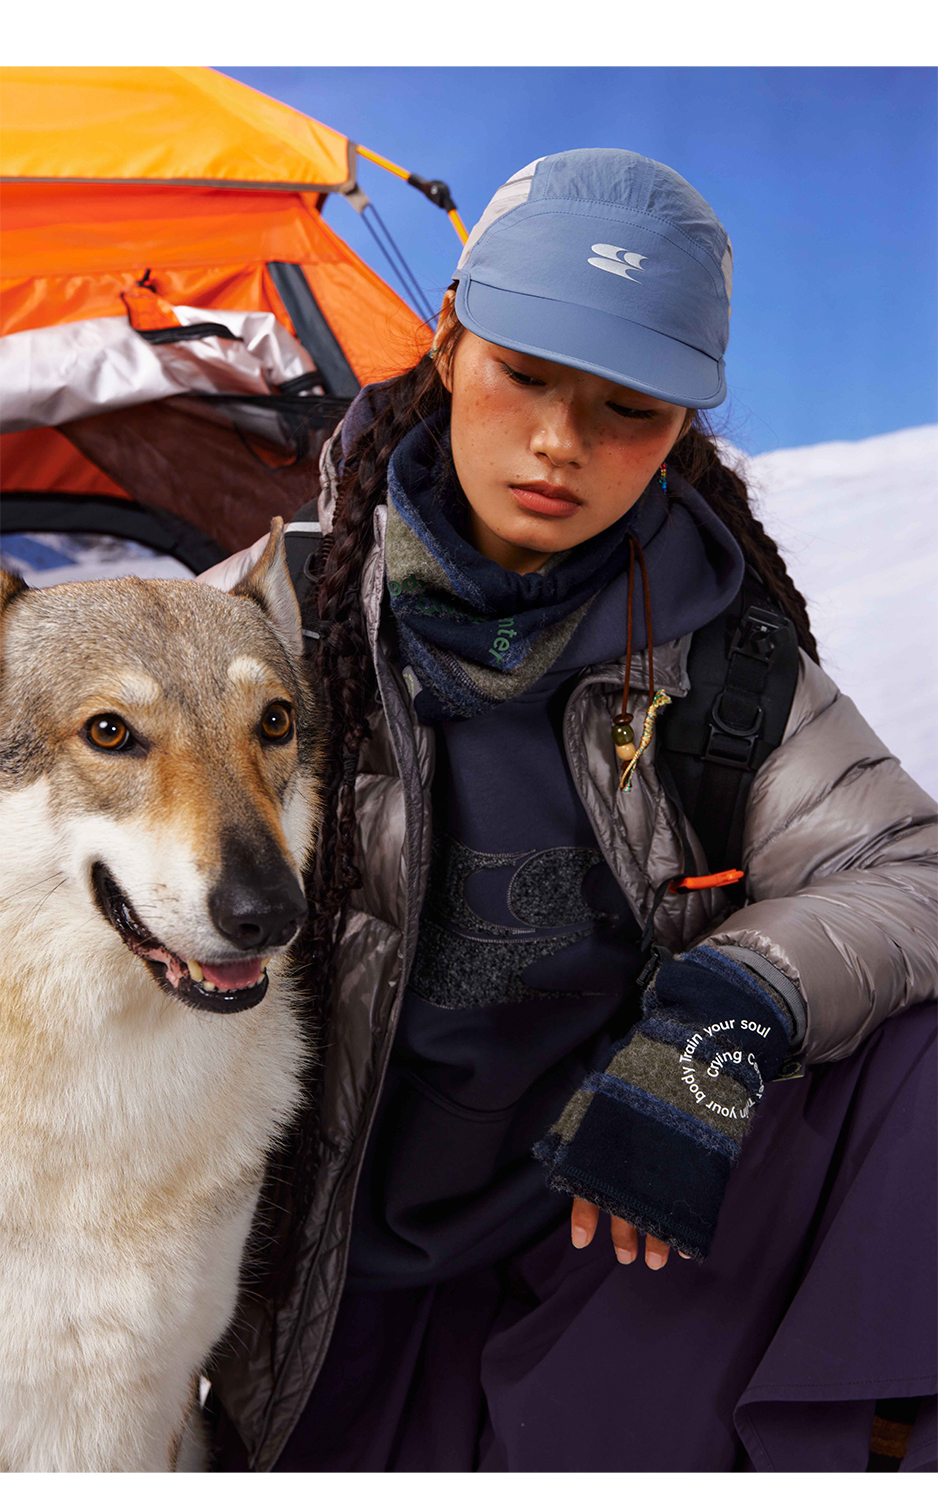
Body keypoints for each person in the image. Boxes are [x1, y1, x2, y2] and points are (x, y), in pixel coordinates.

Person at [205, 149, 937, 1473]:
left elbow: (908, 864)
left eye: (627, 407)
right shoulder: (251, 630)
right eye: (525, 375)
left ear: (682, 425)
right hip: (331, 1271)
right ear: (446, 341)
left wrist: (724, 1017)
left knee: (917, 1050)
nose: (560, 443)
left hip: (615, 1231)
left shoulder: (725, 659)